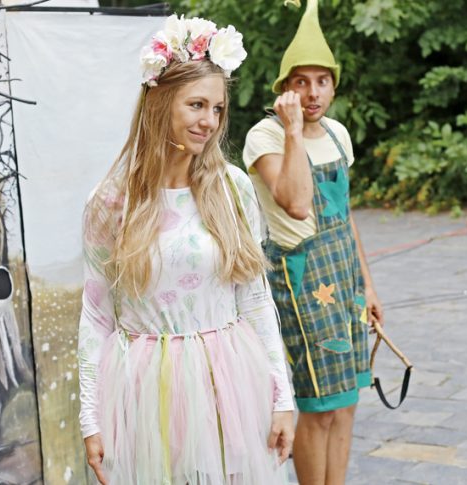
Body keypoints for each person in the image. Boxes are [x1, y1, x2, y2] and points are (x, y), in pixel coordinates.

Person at [77, 14, 294, 485]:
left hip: (229, 384)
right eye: (196, 105)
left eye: (217, 108)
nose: (209, 122)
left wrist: (282, 397)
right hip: (144, 391)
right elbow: (96, 313)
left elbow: (255, 298)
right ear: (159, 104)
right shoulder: (112, 201)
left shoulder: (232, 189)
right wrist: (90, 417)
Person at [241, 1, 384, 483]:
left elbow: (346, 218)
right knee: (319, 405)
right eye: (300, 82)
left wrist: (367, 285)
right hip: (303, 282)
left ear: (334, 86)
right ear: (284, 88)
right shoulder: (265, 136)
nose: (312, 92)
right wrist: (293, 131)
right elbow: (296, 202)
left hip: (344, 278)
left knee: (347, 403)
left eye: (322, 81)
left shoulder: (340, 135)